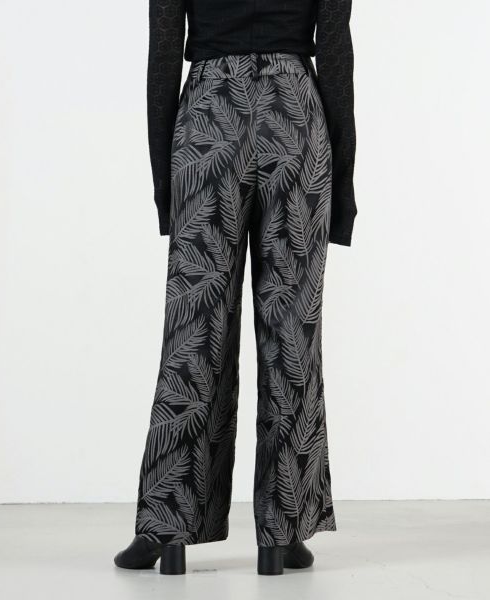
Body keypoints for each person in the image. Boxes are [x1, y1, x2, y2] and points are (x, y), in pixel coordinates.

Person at [115, 0, 357, 576]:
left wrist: (166, 189)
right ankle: (282, 531)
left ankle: (168, 527)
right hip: (294, 119)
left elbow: (162, 57)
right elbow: (337, 54)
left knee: (193, 335)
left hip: (209, 119)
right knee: (292, 336)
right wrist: (344, 188)